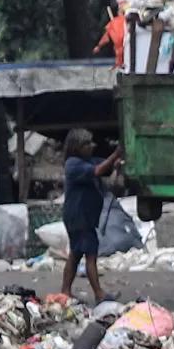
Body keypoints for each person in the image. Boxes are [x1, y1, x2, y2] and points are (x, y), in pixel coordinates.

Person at [59, 129, 125, 302]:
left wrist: (115, 166)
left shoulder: (88, 161)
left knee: (75, 253)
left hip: (82, 216)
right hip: (79, 216)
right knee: (90, 254)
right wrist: (116, 153)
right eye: (86, 144)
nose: (91, 146)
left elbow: (105, 170)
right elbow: (98, 171)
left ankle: (65, 290)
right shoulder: (73, 164)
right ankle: (99, 294)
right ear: (77, 147)